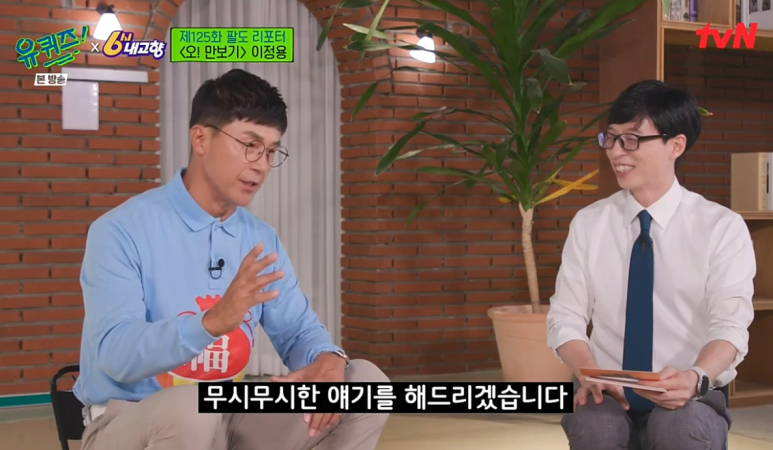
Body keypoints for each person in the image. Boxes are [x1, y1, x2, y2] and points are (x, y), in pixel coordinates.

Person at [73, 68, 390, 450]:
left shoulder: (259, 239)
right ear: (201, 138)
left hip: (225, 417)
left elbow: (298, 331)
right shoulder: (120, 230)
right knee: (191, 408)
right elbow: (116, 355)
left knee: (364, 383)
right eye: (249, 145)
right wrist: (209, 323)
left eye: (271, 151)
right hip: (126, 420)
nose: (261, 164)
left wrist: (327, 358)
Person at [546, 79, 755, 449]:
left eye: (631, 140)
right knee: (597, 429)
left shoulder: (721, 227)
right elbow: (566, 317)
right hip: (607, 392)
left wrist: (696, 377)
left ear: (676, 145)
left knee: (678, 428)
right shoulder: (589, 223)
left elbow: (731, 326)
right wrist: (589, 372)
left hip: (692, 393)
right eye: (610, 138)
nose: (615, 152)